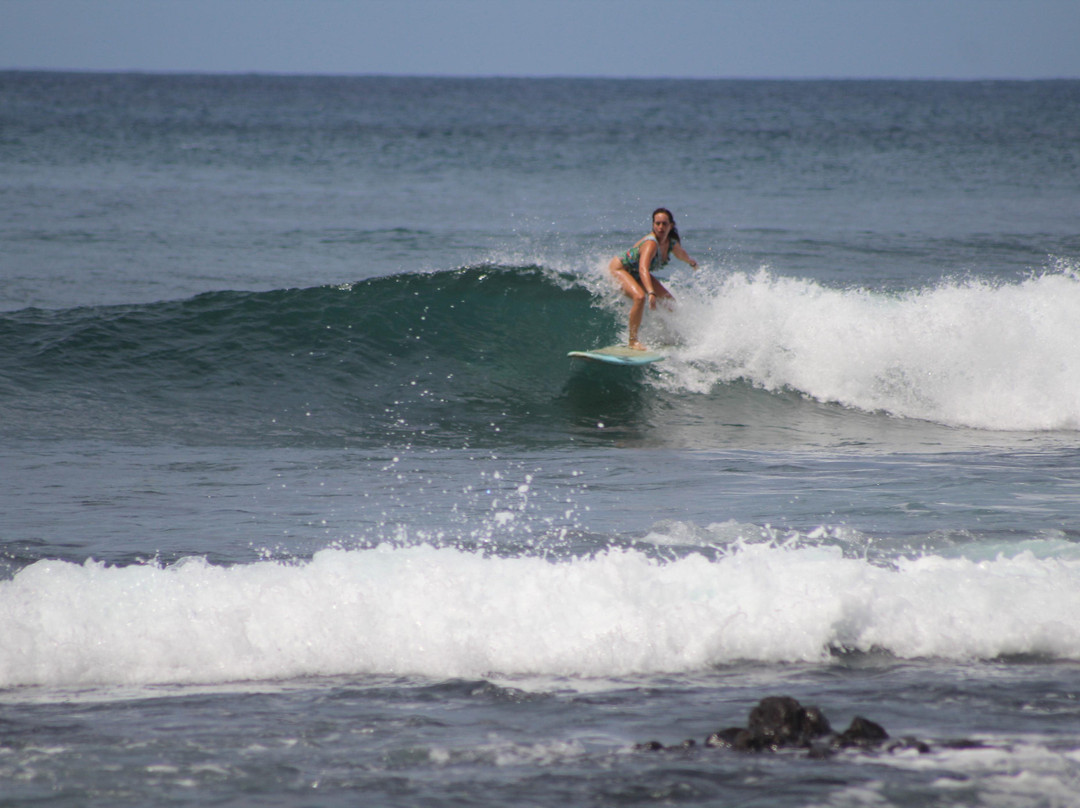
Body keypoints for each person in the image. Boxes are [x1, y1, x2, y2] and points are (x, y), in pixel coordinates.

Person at [608, 207, 698, 350]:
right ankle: (633, 341)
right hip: (621, 269)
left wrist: (691, 262)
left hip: (636, 273)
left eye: (664, 223)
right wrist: (651, 292)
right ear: (653, 224)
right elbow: (643, 268)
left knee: (670, 303)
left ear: (671, 225)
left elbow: (681, 254)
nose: (660, 227)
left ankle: (669, 336)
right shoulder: (651, 243)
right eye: (657, 223)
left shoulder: (671, 243)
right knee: (639, 297)